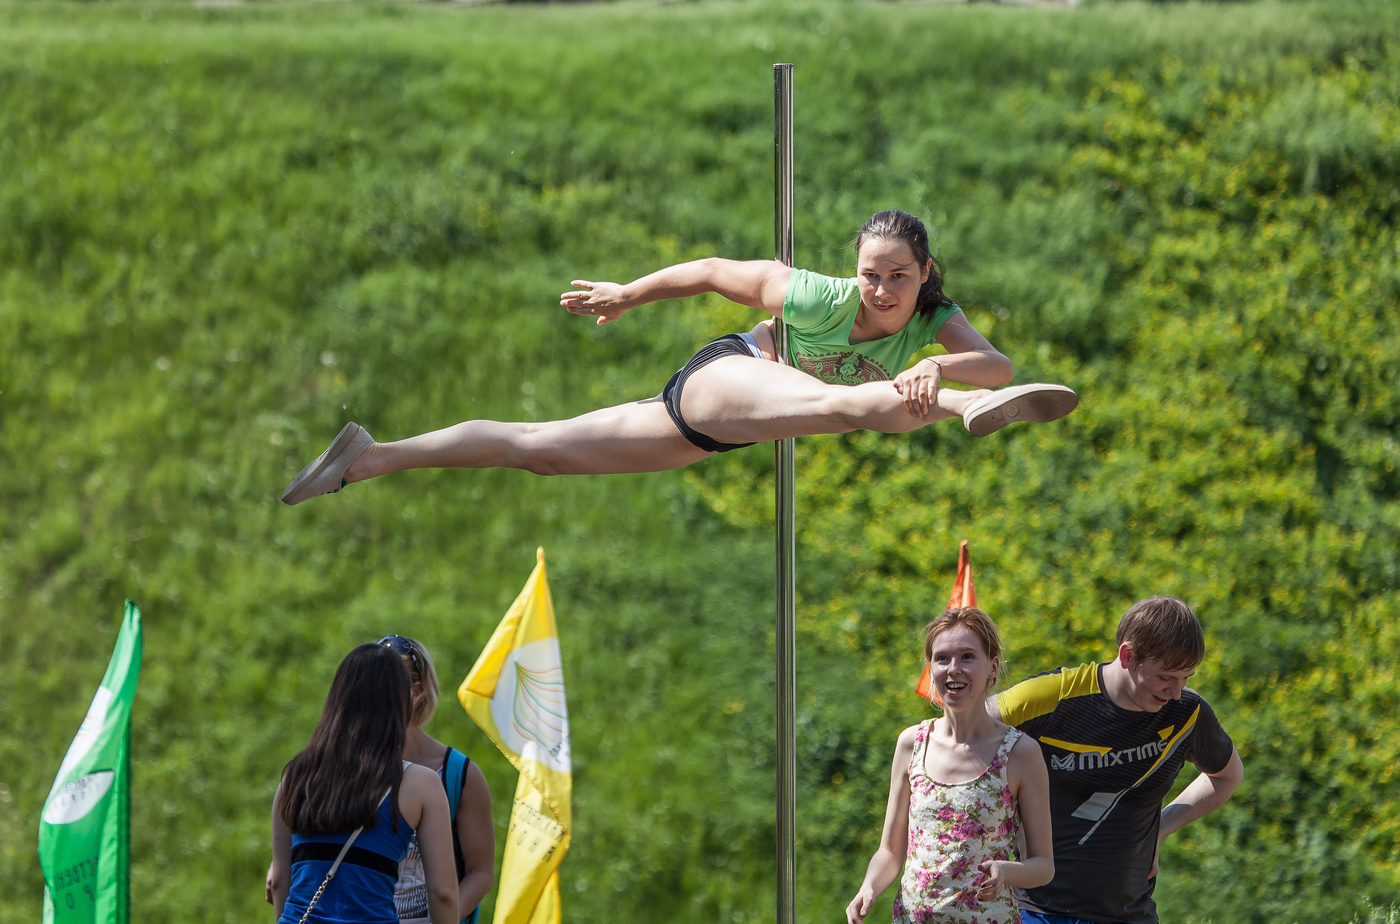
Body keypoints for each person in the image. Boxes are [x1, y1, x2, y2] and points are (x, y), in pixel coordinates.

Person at [281, 210, 1078, 504]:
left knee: (540, 452)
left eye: (898, 277)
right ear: (854, 270)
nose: (881, 290)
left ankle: (374, 458)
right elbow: (711, 272)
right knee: (847, 408)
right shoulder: (818, 296)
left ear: (925, 273)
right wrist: (628, 293)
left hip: (707, 432)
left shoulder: (935, 317)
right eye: (871, 274)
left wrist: (939, 366)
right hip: (726, 379)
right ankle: (960, 412)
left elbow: (1001, 367)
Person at [990, 596, 1245, 924]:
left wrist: (1162, 828)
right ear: (1127, 655)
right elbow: (960, 732)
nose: (1176, 692)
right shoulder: (1054, 696)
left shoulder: (1187, 713)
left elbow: (1227, 776)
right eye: (1165, 677)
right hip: (1037, 911)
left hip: (1132, 914)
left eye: (1187, 677)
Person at [847, 607, 1054, 924]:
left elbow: (1043, 866)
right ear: (930, 669)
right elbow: (889, 852)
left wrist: (1006, 870)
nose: (953, 669)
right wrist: (869, 887)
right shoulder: (911, 743)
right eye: (942, 658)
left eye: (967, 657)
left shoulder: (1020, 752)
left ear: (992, 667)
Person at [269, 644, 459, 924]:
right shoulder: (420, 784)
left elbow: (278, 881)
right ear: (400, 702)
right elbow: (443, 893)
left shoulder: (295, 777)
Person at [378, 635, 495, 924]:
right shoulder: (344, 768)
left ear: (416, 691)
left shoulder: (458, 774)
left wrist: (442, 920)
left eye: (386, 686)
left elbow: (480, 872)